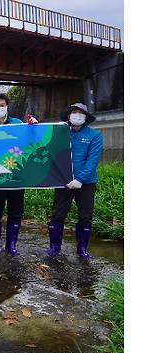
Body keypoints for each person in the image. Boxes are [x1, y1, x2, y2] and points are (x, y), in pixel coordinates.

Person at [0, 92, 37, 256]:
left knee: (16, 212)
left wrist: (34, 127)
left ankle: (11, 245)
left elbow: (30, 142)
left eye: (2, 105)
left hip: (16, 178)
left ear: (7, 107)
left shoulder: (18, 124)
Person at [46, 103, 102, 260]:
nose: (77, 115)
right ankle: (54, 247)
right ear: (69, 116)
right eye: (74, 112)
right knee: (57, 214)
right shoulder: (61, 133)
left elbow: (92, 160)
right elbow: (48, 149)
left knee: (85, 216)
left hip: (86, 183)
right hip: (63, 181)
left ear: (86, 117)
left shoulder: (94, 135)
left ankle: (82, 249)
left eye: (81, 113)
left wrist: (80, 179)